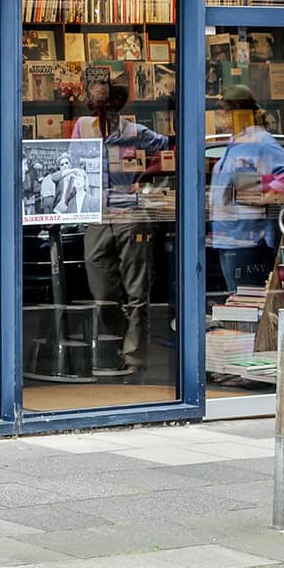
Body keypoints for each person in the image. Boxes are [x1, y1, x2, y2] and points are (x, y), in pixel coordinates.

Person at [70, 75, 173, 375]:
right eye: (94, 103)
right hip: (98, 215)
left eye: (104, 102)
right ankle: (113, 344)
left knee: (137, 290)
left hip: (130, 215)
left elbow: (168, 149)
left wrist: (144, 179)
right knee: (101, 288)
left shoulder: (135, 131)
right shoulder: (82, 129)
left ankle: (135, 357)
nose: (98, 108)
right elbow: (72, 162)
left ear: (115, 104)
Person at [208, 84, 284, 295]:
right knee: (235, 299)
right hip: (229, 238)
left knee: (245, 300)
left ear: (239, 111)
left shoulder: (260, 141)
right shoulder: (236, 140)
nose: (218, 114)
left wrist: (263, 197)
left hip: (248, 240)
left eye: (223, 109)